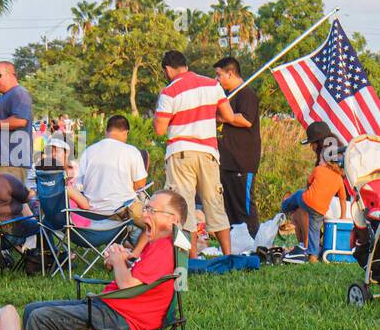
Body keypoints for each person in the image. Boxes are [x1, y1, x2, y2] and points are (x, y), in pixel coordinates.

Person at [16, 189, 186, 330]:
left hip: (125, 320)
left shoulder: (164, 248)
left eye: (153, 211)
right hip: (113, 309)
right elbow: (140, 278)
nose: (145, 215)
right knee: (32, 310)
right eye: (146, 208)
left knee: (41, 318)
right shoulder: (157, 243)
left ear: (173, 219)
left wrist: (117, 261)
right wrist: (125, 257)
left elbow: (126, 285)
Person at [153, 50, 233, 255]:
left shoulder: (169, 92)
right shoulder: (212, 84)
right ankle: (228, 255)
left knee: (183, 205)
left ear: (168, 69)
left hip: (180, 152)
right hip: (208, 152)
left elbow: (160, 129)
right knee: (214, 202)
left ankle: (192, 256)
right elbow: (228, 116)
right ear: (185, 65)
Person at [280, 121, 346, 264]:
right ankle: (312, 252)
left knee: (300, 203)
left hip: (330, 202)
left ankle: (305, 246)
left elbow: (312, 184)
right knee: (309, 213)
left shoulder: (324, 160)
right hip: (334, 203)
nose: (311, 147)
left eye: (312, 143)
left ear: (319, 142)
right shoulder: (336, 153)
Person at [213, 56, 261, 236]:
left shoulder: (246, 93)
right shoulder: (226, 97)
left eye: (219, 75)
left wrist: (222, 116)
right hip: (227, 161)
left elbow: (246, 120)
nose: (217, 79)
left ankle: (254, 240)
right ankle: (237, 242)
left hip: (243, 160)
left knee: (244, 206)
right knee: (230, 206)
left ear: (230, 73)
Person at [76, 115, 148, 226]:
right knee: (152, 223)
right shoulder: (131, 151)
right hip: (122, 213)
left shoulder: (88, 151)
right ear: (126, 132)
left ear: (106, 131)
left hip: (94, 215)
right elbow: (140, 186)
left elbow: (79, 185)